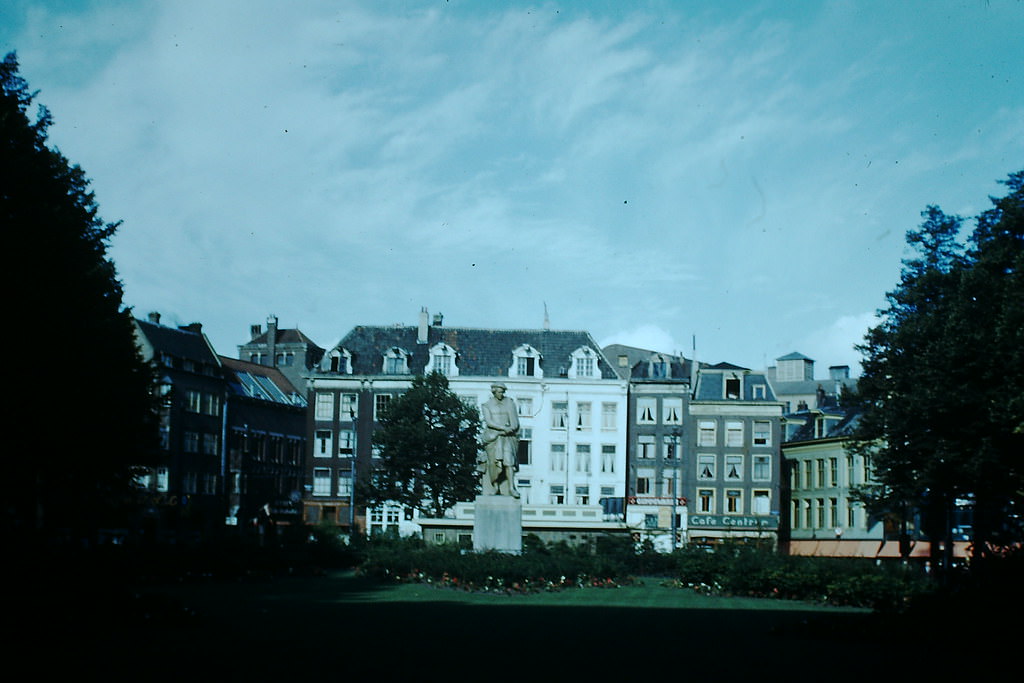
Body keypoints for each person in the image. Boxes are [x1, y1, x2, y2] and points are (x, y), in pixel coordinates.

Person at [480, 382, 520, 497]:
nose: (501, 394)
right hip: (493, 437)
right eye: (499, 392)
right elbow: (489, 422)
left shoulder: (509, 403)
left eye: (503, 392)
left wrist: (510, 429)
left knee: (509, 461)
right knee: (493, 463)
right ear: (494, 391)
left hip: (507, 437)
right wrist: (503, 428)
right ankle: (495, 487)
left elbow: (515, 421)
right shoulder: (486, 405)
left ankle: (511, 488)